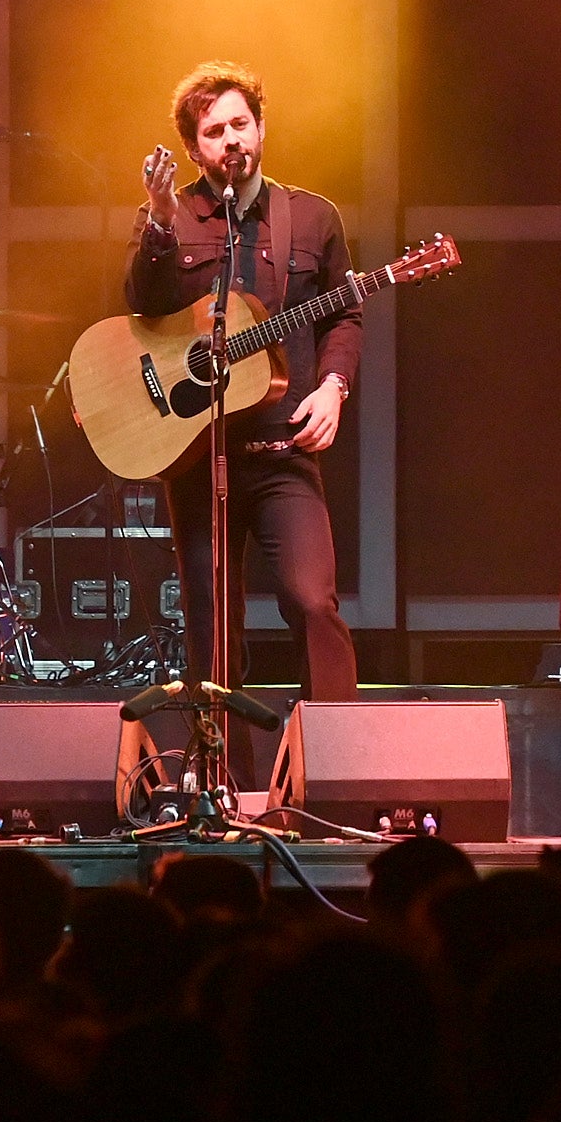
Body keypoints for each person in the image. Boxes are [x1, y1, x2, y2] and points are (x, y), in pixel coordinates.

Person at [124, 61, 361, 776]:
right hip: (198, 453)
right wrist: (160, 222)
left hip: (285, 446)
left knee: (311, 600)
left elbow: (345, 311)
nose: (230, 139)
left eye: (239, 123)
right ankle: (222, 785)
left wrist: (334, 387)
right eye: (213, 130)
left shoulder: (313, 217)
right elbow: (141, 304)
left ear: (260, 128)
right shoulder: (177, 215)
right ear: (195, 149)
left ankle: (337, 770)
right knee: (211, 625)